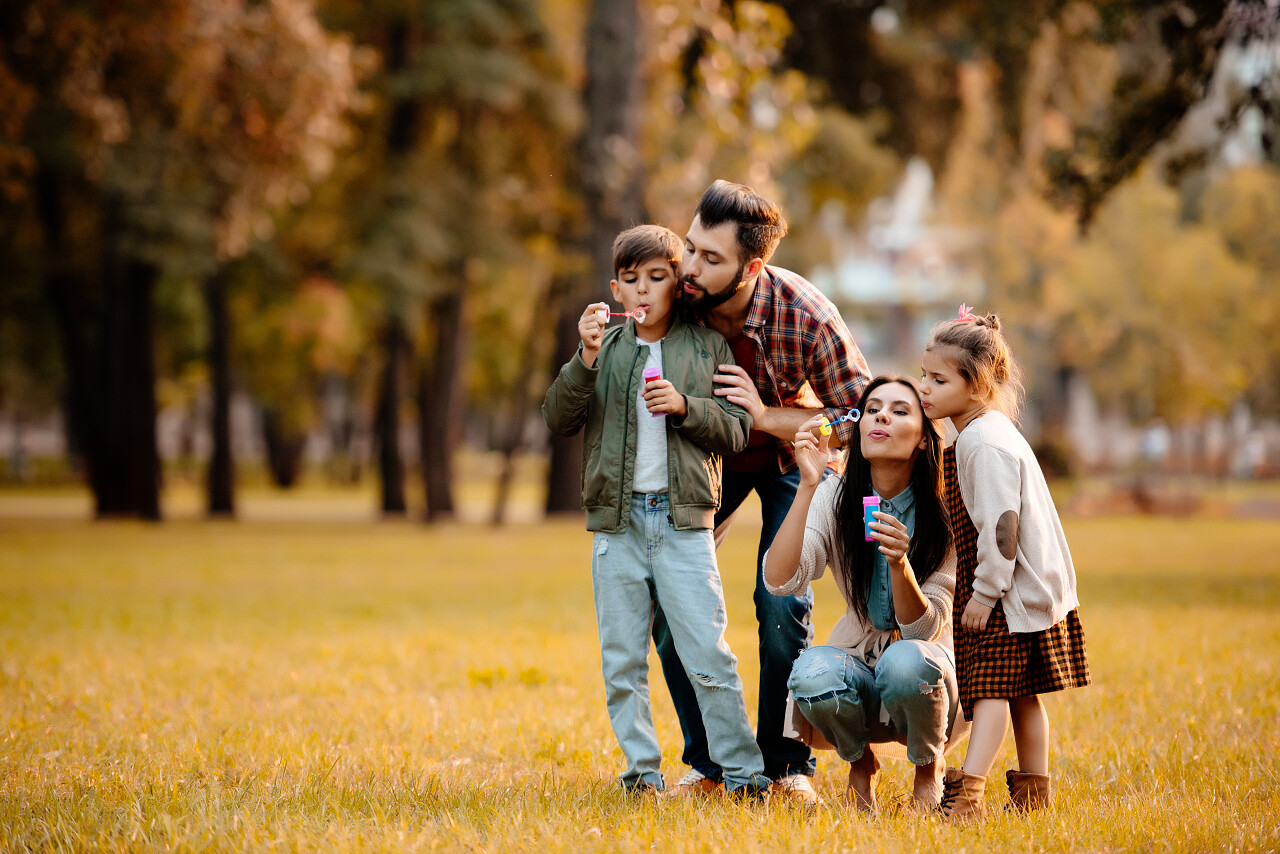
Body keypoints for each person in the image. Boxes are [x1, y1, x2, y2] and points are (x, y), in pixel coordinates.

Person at [654, 180, 872, 804]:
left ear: (753, 267)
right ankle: (711, 766)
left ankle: (785, 768)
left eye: (710, 259)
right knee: (669, 603)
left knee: (780, 606)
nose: (689, 268)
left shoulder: (805, 313)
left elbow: (861, 415)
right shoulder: (678, 291)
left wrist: (769, 417)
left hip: (784, 462)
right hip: (701, 459)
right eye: (690, 247)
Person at [542, 224, 769, 798]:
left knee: (709, 657)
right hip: (616, 526)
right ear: (615, 290)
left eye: (657, 278)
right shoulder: (605, 351)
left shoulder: (705, 347)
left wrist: (685, 405)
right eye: (630, 280)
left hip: (683, 523)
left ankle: (744, 777)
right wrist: (584, 358)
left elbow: (738, 430)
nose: (642, 291)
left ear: (677, 285)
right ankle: (642, 776)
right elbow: (557, 418)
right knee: (622, 663)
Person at [763, 376, 968, 812]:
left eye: (899, 410)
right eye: (873, 408)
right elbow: (780, 581)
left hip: (928, 669)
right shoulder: (836, 494)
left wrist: (899, 564)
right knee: (810, 673)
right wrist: (806, 485)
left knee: (905, 660)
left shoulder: (945, 506)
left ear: (921, 438)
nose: (881, 416)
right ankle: (859, 762)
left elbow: (924, 628)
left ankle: (928, 766)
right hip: (859, 656)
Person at [918, 306, 1091, 821]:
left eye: (938, 379)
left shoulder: (981, 442)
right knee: (1023, 695)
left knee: (991, 690)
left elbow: (1003, 526)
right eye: (924, 375)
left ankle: (969, 793)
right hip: (1028, 587)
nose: (923, 388)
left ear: (976, 385)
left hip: (1007, 590)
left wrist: (985, 593)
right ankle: (1034, 796)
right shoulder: (985, 429)